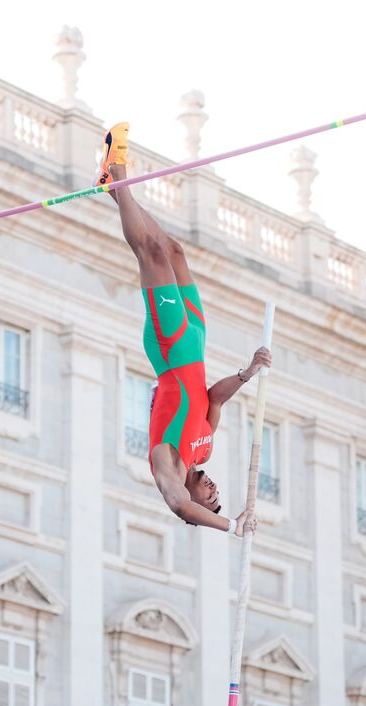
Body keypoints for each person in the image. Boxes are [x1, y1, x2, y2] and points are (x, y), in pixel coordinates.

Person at [98, 122, 271, 537]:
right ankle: (114, 188)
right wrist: (248, 373)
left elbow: (182, 507)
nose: (213, 491)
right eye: (218, 495)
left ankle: (117, 171)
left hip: (172, 349)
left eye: (210, 499)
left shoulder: (168, 466)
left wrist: (231, 526)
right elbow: (215, 398)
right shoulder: (203, 449)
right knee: (174, 251)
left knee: (152, 255)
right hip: (197, 340)